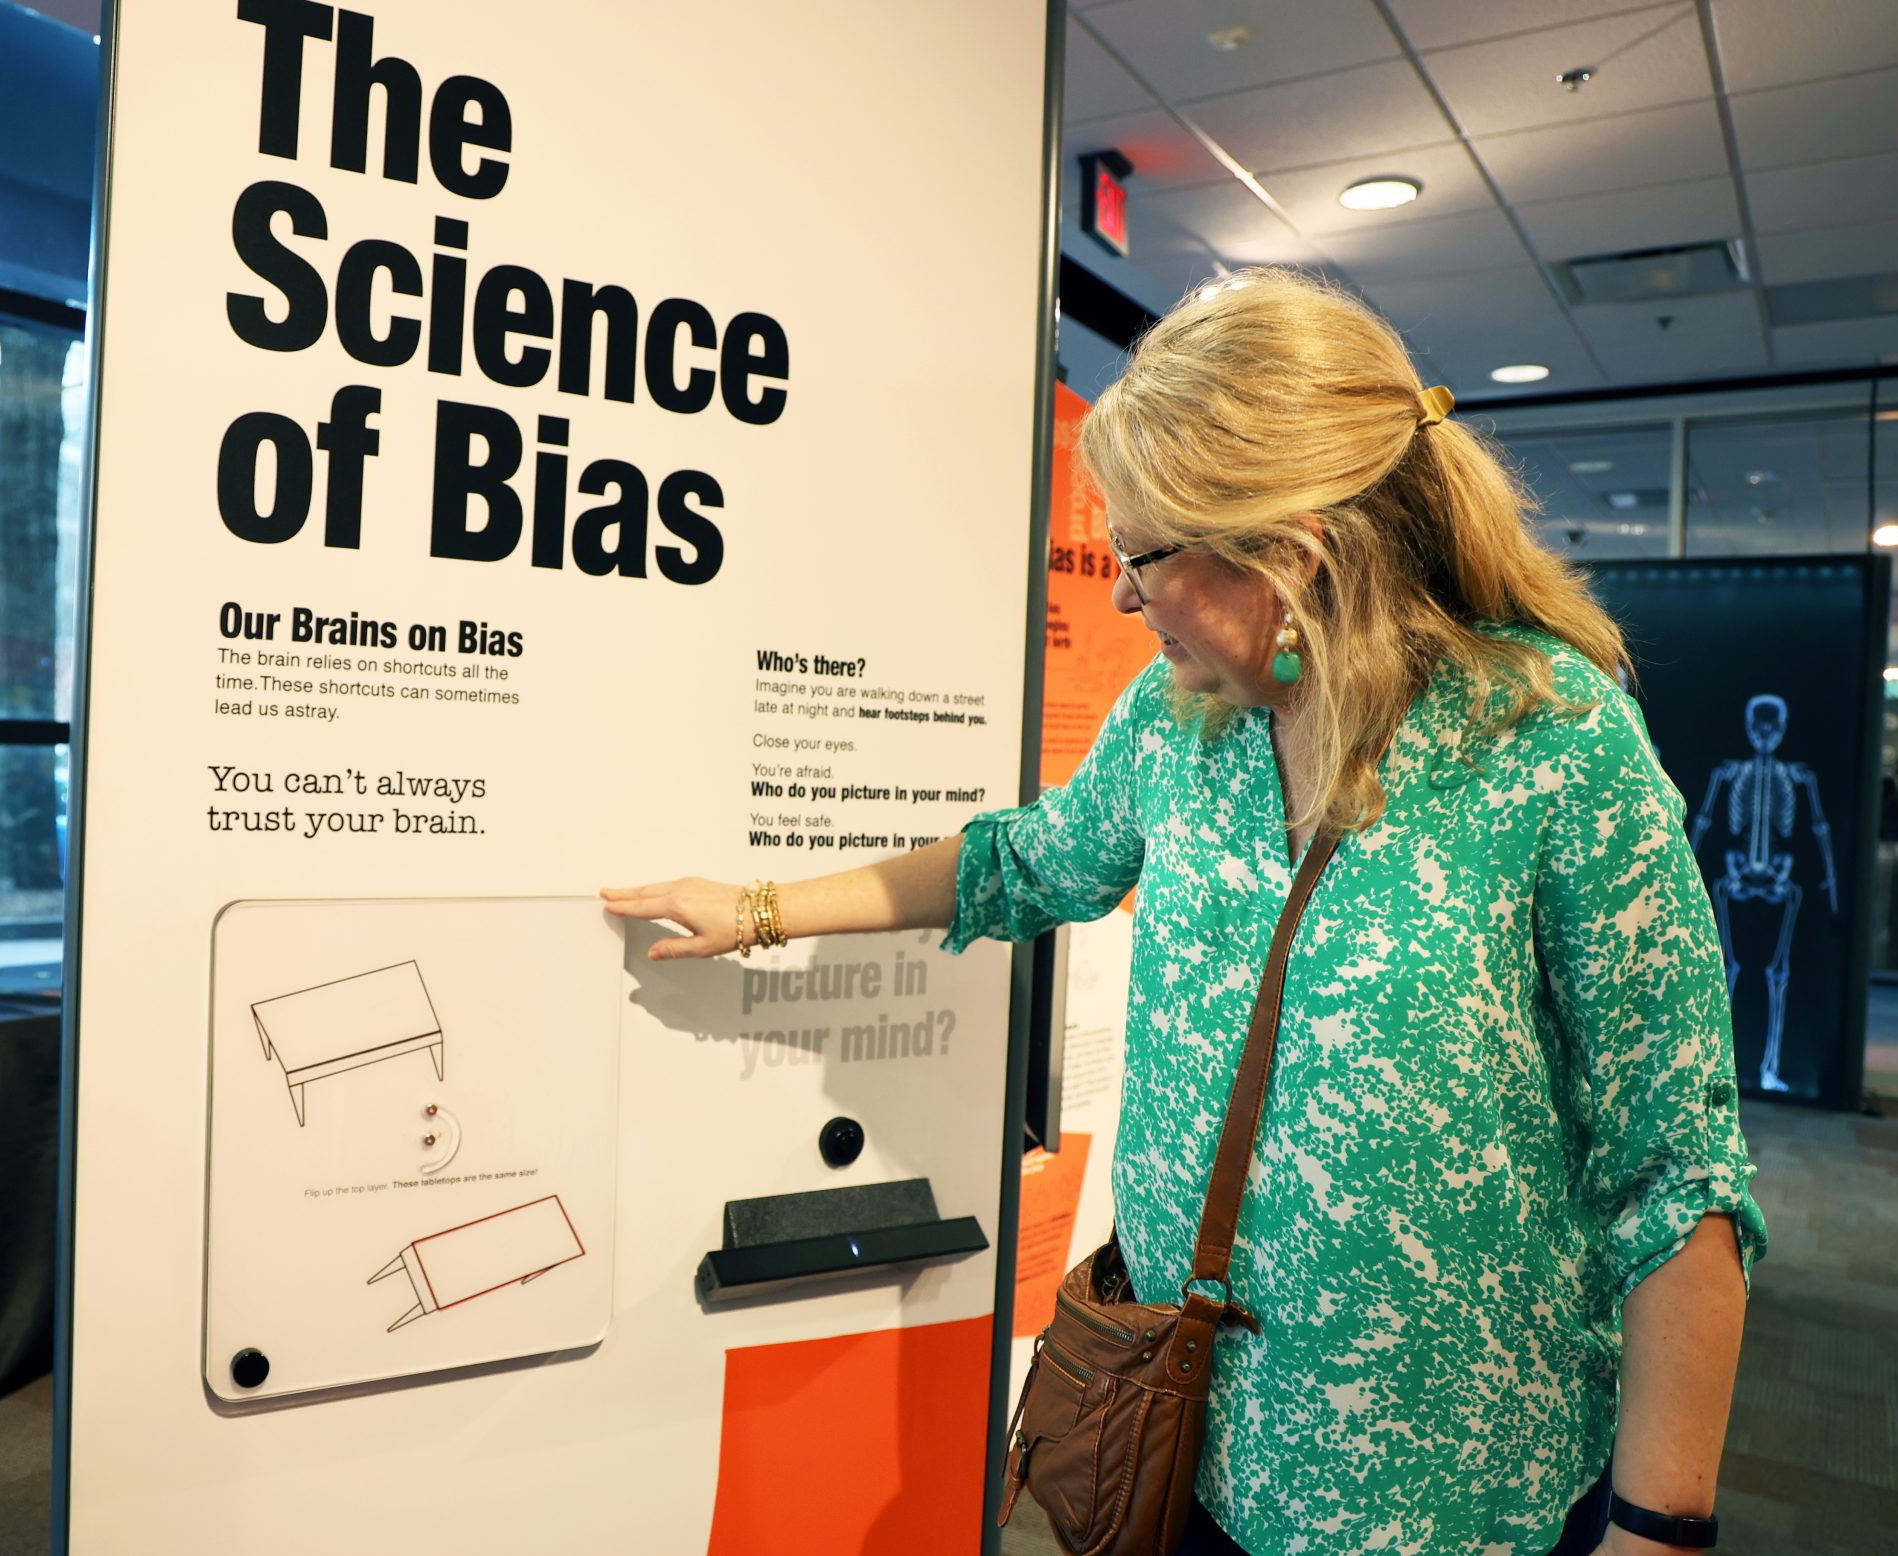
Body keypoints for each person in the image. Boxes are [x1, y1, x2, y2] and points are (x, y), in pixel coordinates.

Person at [603, 268, 1765, 1556]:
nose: (1119, 594)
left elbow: (1678, 1175)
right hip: (1189, 1448)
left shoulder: (1551, 742)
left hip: (1447, 1506)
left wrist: (1658, 1531)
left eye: (1143, 556)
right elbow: (1022, 864)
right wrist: (761, 907)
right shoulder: (1178, 722)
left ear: (1290, 555)